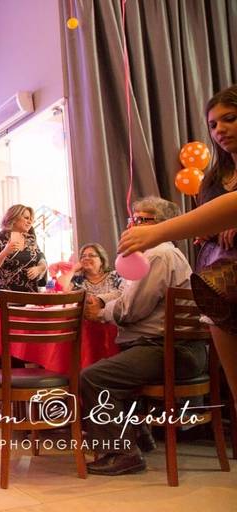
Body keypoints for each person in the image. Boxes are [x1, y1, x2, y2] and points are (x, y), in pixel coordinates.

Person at [119, 86, 237, 409]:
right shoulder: (213, 179)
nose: (220, 130)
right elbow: (209, 220)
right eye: (213, 124)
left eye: (230, 119)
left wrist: (158, 233)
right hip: (218, 283)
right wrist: (209, 232)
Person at [81, 197, 207, 476]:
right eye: (132, 219)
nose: (132, 226)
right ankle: (140, 436)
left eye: (141, 220)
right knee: (116, 363)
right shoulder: (158, 253)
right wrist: (103, 301)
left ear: (163, 225)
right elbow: (126, 293)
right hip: (178, 349)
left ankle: (122, 453)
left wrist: (100, 313)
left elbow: (131, 310)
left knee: (94, 376)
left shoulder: (157, 254)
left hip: (172, 351)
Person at [0, 204, 47, 298]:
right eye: (26, 218)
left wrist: (38, 269)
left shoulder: (30, 239)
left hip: (30, 296)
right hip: (6, 297)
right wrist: (5, 251)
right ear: (14, 218)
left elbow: (42, 260)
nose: (30, 221)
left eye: (31, 219)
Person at [56, 243, 123, 303]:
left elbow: (124, 294)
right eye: (83, 256)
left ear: (101, 261)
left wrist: (100, 301)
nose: (86, 258)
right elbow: (60, 290)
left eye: (91, 255)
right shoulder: (77, 279)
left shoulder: (115, 275)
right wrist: (73, 270)